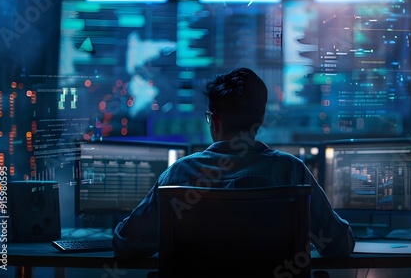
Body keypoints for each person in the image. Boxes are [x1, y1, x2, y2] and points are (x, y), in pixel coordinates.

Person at [112, 67, 355, 258]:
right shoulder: (291, 172)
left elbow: (126, 243)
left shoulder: (179, 175)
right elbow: (339, 244)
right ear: (260, 120)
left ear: (214, 121)